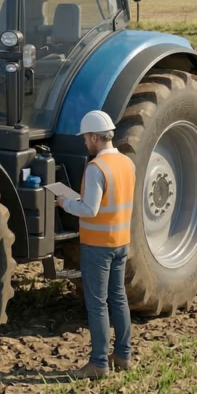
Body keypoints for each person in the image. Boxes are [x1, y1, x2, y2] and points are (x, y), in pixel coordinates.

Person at [55, 109, 136, 380]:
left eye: (85, 139)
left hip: (98, 245)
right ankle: (123, 355)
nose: (84, 144)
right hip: (121, 241)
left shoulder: (95, 168)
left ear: (93, 137)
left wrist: (65, 203)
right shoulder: (127, 163)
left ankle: (99, 362)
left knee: (97, 304)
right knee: (119, 297)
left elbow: (90, 209)